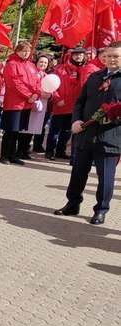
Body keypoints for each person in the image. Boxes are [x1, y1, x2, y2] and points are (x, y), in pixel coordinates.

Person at [54, 41, 121, 226]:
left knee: (105, 177)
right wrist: (76, 120)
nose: (111, 60)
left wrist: (114, 118)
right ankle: (72, 204)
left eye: (116, 56)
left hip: (110, 137)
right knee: (78, 172)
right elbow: (80, 102)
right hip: (85, 134)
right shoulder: (94, 77)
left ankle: (101, 209)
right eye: (109, 56)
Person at [0, 40, 40, 165]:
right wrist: (29, 95)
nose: (26, 53)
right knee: (10, 130)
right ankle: (4, 155)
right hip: (14, 103)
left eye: (28, 51)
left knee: (17, 131)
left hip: (26, 103)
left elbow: (37, 82)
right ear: (17, 51)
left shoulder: (31, 66)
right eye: (23, 50)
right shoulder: (12, 64)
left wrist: (36, 94)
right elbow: (14, 83)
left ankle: (13, 155)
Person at [47, 47, 85, 160]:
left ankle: (60, 150)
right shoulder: (60, 69)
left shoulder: (84, 70)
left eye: (81, 55)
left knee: (67, 131)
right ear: (71, 56)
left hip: (75, 107)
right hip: (61, 105)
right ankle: (50, 151)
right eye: (76, 55)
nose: (79, 57)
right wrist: (57, 99)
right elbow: (52, 85)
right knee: (55, 130)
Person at [17, 55, 49, 160]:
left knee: (33, 128)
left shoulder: (46, 76)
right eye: (41, 62)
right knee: (26, 127)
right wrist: (39, 94)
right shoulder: (32, 73)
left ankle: (26, 149)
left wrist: (51, 95)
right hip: (31, 102)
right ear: (36, 62)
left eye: (45, 63)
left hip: (40, 106)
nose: (43, 64)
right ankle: (20, 150)